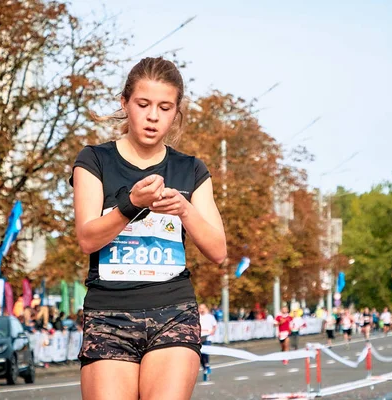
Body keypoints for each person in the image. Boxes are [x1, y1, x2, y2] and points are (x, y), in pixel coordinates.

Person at [71, 57, 227, 400]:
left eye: (164, 107)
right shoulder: (94, 160)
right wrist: (131, 204)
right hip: (109, 314)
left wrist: (185, 209)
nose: (153, 116)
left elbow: (218, 251)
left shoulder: (191, 170)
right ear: (124, 102)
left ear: (176, 112)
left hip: (173, 311)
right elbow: (87, 238)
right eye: (143, 104)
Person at [198, 304, 217, 381]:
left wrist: (213, 331)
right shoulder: (197, 317)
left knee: (205, 352)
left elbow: (215, 325)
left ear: (206, 308)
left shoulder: (210, 317)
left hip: (207, 337)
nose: (202, 310)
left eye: (203, 308)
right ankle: (205, 367)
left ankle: (207, 365)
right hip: (199, 338)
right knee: (200, 354)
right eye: (200, 308)